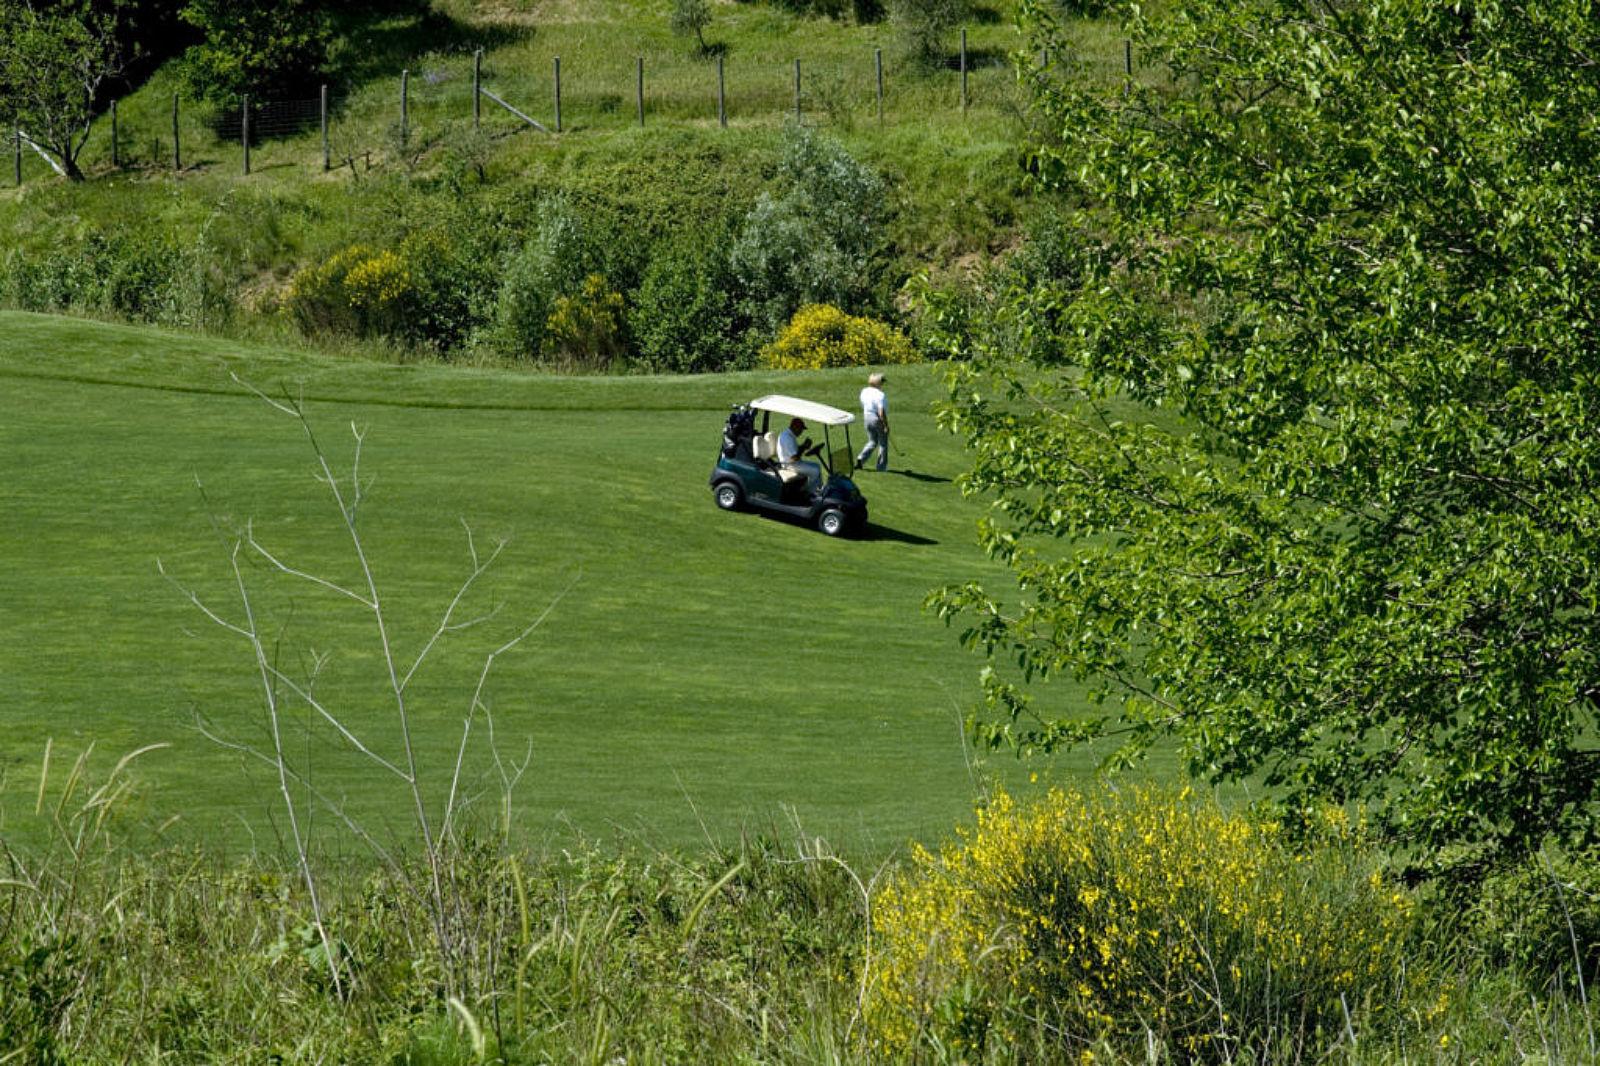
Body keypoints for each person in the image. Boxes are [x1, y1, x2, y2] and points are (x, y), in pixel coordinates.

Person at [776, 416, 822, 493]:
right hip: (789, 465)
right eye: (800, 429)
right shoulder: (787, 438)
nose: (801, 432)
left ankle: (818, 489)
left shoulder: (789, 435)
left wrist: (804, 446)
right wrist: (804, 447)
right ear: (795, 427)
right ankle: (808, 493)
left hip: (793, 463)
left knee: (817, 465)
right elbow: (794, 458)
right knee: (815, 471)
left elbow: (795, 451)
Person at [855, 372, 889, 472]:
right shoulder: (880, 395)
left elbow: (863, 404)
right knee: (883, 443)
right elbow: (881, 412)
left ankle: (861, 458)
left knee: (872, 441)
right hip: (877, 418)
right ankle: (881, 467)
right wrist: (886, 425)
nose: (883, 384)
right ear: (878, 383)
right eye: (882, 382)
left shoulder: (864, 391)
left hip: (867, 417)